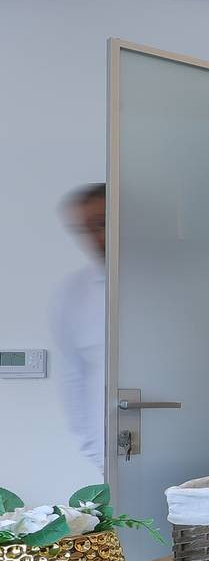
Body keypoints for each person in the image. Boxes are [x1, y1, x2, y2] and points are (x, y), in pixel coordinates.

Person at [52, 183, 107, 474]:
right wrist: (95, 451)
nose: (96, 237)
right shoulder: (74, 292)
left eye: (102, 223)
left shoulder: (179, 280)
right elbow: (74, 376)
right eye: (86, 229)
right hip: (114, 453)